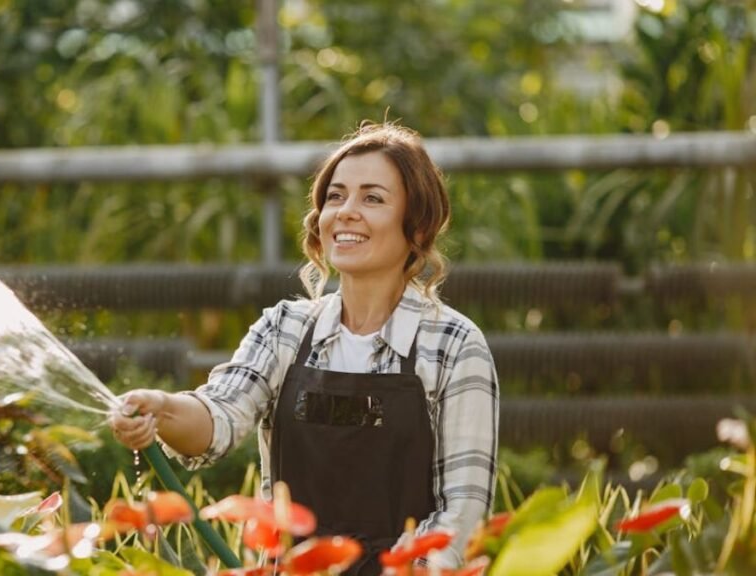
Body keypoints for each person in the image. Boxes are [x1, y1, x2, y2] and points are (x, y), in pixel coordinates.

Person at [110, 122, 498, 573]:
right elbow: (217, 421)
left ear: (417, 225)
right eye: (335, 196)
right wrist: (161, 409)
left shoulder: (454, 345)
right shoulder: (286, 329)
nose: (346, 212)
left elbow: (462, 512)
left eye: (372, 198)